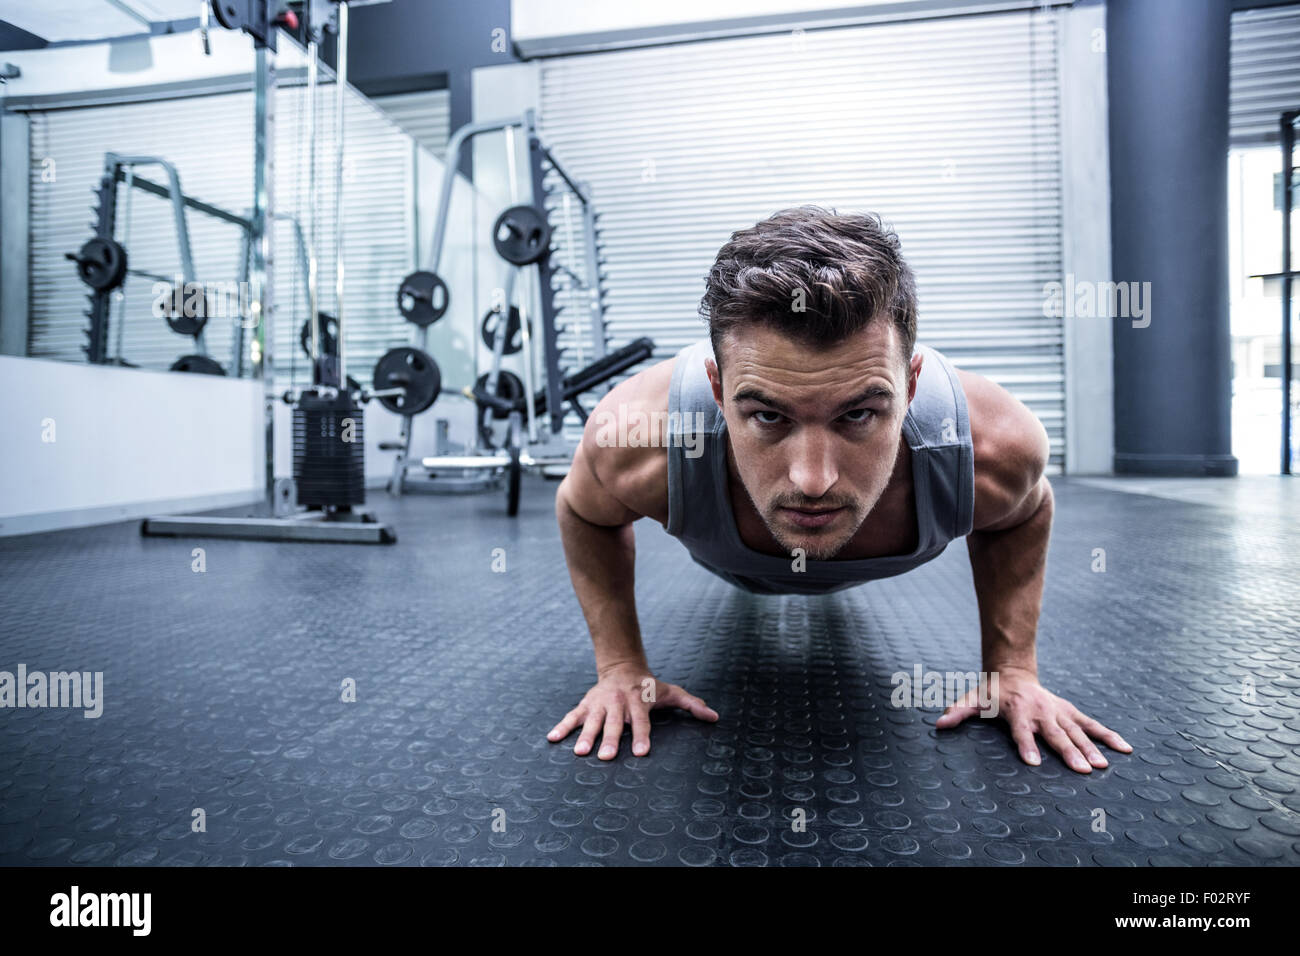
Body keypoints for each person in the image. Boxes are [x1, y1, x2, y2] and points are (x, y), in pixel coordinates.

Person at [549, 205, 1131, 775]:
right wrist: (620, 666)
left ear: (911, 383)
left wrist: (1013, 671)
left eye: (858, 415)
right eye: (768, 417)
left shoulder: (991, 450)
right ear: (718, 388)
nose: (813, 480)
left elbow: (1024, 515)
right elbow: (583, 510)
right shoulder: (638, 441)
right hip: (728, 566)